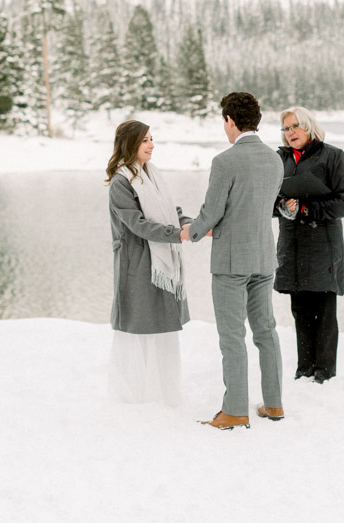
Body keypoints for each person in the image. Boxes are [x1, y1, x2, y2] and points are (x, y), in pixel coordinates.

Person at [181, 91, 284, 429]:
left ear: (229, 120)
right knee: (266, 331)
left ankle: (236, 410)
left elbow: (212, 212)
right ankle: (273, 405)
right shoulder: (274, 159)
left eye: (223, 121)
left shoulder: (225, 161)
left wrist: (191, 231)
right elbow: (255, 206)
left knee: (232, 336)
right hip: (264, 257)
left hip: (230, 262)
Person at [106, 119, 191, 407]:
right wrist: (177, 234)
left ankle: (161, 392)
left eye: (152, 139)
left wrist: (193, 225)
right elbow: (139, 225)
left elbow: (171, 212)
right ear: (130, 144)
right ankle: (134, 395)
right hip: (138, 266)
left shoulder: (152, 175)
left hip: (160, 263)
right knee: (139, 328)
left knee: (162, 328)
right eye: (145, 140)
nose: (152, 145)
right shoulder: (121, 183)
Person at [274, 106, 344, 383]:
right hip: (292, 243)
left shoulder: (333, 156)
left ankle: (323, 373)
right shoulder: (279, 159)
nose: (290, 132)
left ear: (308, 126)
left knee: (323, 309)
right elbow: (269, 200)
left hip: (323, 245)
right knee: (300, 309)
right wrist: (283, 206)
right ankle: (304, 369)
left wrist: (307, 209)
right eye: (286, 129)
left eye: (295, 126)